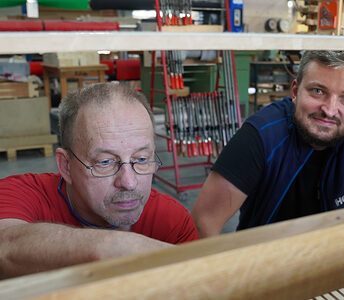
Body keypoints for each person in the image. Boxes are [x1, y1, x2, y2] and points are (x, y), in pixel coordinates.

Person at [191, 50, 344, 294]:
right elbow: (203, 223)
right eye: (318, 91)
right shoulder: (261, 136)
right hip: (268, 274)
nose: (330, 110)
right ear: (294, 91)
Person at [0, 82, 198, 279]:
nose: (129, 182)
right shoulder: (20, 193)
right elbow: (5, 246)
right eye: (105, 162)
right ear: (66, 166)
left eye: (142, 159)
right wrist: (109, 246)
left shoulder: (172, 222)